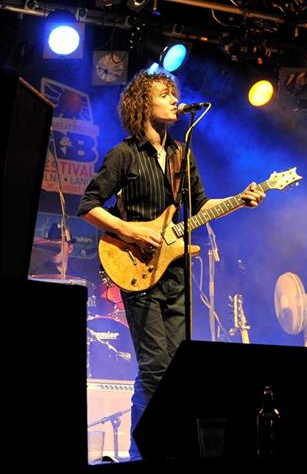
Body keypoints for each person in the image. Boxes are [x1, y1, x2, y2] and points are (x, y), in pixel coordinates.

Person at [77, 71, 265, 461]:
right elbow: (89, 206)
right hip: (135, 268)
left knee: (175, 368)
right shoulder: (124, 154)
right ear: (144, 104)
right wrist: (131, 231)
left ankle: (140, 449)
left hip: (175, 274)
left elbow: (201, 207)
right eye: (165, 94)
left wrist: (240, 198)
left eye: (175, 94)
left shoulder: (183, 155)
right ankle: (150, 451)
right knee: (156, 365)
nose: (174, 100)